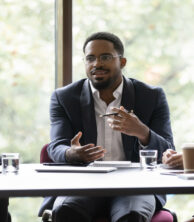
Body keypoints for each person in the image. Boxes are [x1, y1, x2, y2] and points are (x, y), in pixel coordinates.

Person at [39, 32, 175, 222]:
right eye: (90, 58)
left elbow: (169, 151)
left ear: (123, 61)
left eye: (105, 57)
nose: (97, 64)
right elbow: (56, 146)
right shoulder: (64, 98)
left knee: (130, 216)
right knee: (66, 211)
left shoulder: (151, 96)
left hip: (136, 184)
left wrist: (142, 132)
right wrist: (73, 153)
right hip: (84, 182)